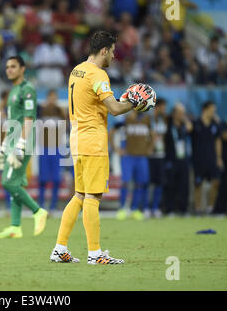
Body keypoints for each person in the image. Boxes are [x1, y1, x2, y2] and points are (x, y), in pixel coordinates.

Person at [49, 31, 149, 265]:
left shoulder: (77, 69)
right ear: (104, 50)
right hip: (93, 141)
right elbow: (114, 109)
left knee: (79, 196)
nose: (114, 55)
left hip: (77, 139)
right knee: (93, 198)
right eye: (113, 50)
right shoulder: (99, 74)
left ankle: (59, 248)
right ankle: (95, 254)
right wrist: (136, 103)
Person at [0, 56, 48, 239]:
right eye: (7, 67)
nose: (9, 70)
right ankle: (15, 227)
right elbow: (13, 121)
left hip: (23, 140)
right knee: (16, 182)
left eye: (13, 66)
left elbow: (29, 119)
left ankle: (38, 211)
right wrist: (4, 146)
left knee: (8, 182)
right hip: (13, 140)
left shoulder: (27, 89)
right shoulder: (14, 90)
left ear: (23, 69)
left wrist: (21, 145)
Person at [116, 111, 153, 221]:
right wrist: (117, 149)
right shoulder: (125, 119)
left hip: (141, 156)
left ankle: (134, 209)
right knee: (125, 182)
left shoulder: (147, 119)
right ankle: (122, 209)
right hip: (128, 156)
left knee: (140, 184)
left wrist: (149, 149)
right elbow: (112, 132)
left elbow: (153, 134)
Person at [191, 101, 223, 215]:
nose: (214, 111)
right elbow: (188, 130)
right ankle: (198, 209)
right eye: (212, 109)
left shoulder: (215, 124)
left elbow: (218, 141)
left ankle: (210, 207)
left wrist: (219, 157)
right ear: (205, 109)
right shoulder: (196, 122)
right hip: (199, 158)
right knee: (198, 183)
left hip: (212, 158)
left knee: (216, 181)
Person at [38, 89, 66, 214]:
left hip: (56, 148)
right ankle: (41, 205)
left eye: (54, 98)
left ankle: (53, 206)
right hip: (44, 148)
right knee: (43, 179)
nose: (52, 100)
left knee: (56, 179)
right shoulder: (41, 111)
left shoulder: (60, 111)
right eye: (50, 98)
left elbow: (66, 126)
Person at [163, 103, 192, 215]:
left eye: (183, 113)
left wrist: (184, 119)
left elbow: (190, 128)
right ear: (174, 113)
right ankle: (169, 209)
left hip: (183, 159)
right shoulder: (168, 123)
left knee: (184, 185)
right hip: (171, 159)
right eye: (179, 113)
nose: (182, 115)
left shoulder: (184, 125)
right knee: (170, 185)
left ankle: (183, 209)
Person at [144, 98, 167, 218]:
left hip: (161, 155)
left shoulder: (164, 119)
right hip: (151, 155)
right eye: (163, 107)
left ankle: (155, 207)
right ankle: (146, 207)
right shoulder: (149, 119)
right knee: (149, 182)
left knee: (159, 182)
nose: (165, 109)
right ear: (157, 107)